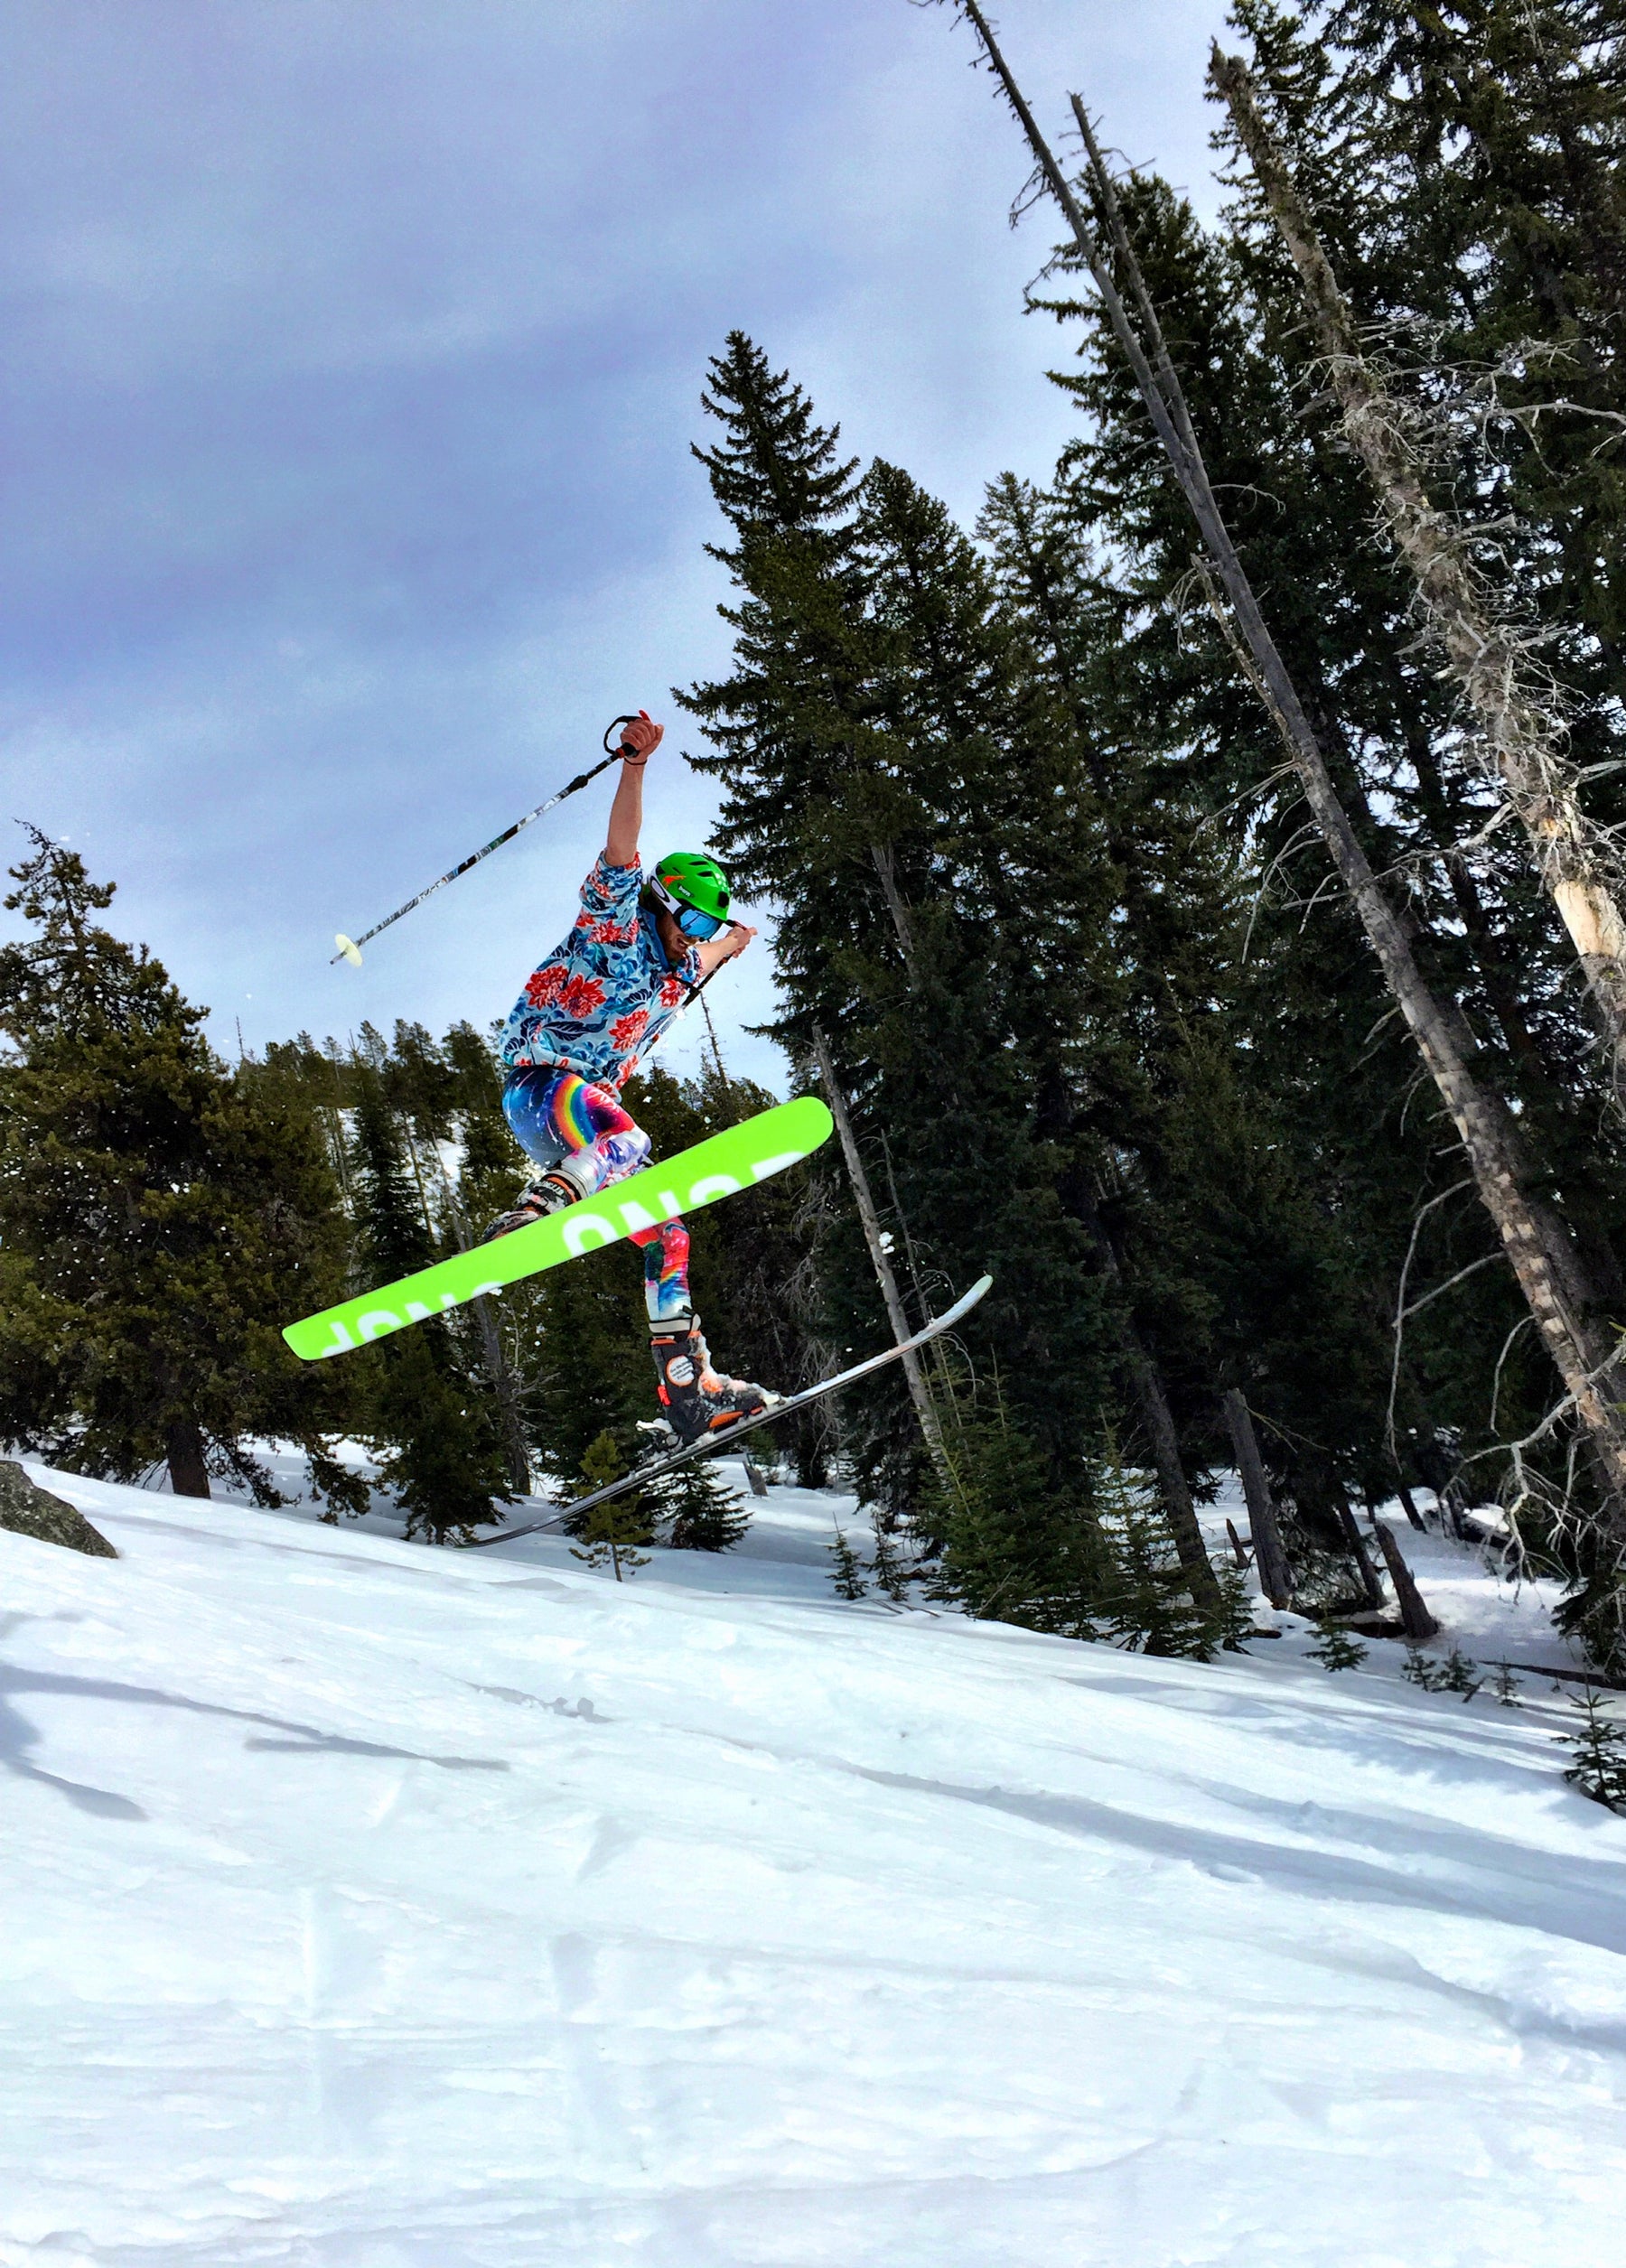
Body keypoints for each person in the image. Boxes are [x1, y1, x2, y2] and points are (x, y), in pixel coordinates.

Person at [487, 710, 780, 1447]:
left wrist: (734, 944)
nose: (700, 939)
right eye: (699, 923)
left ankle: (689, 1387)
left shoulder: (681, 965)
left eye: (709, 930)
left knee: (669, 1235)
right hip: (542, 1083)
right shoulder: (615, 920)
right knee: (631, 1136)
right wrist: (636, 765)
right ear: (671, 902)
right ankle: (540, 1206)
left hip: (588, 1129)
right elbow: (622, 848)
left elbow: (706, 961)